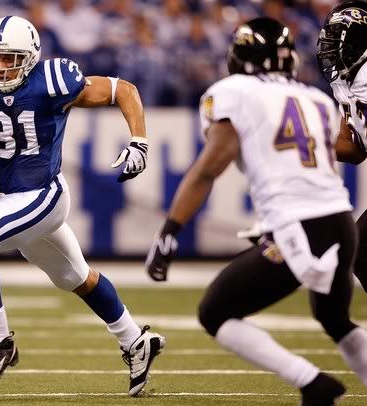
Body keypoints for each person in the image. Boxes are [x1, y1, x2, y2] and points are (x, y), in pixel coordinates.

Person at [0, 15, 164, 396]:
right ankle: (135, 340)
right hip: (13, 199)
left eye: (11, 58)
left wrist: (139, 141)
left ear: (31, 57)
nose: (1, 66)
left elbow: (124, 89)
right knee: (75, 278)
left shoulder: (53, 82)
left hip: (45, 193)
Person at [145, 17, 367, 406]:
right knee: (335, 319)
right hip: (340, 222)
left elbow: (209, 168)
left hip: (301, 227)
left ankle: (312, 382)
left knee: (215, 312)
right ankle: (316, 385)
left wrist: (170, 230)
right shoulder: (314, 98)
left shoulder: (234, 92)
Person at [317, 0, 367, 293]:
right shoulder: (346, 81)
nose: (329, 45)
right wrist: (312, 144)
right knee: (361, 251)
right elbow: (354, 150)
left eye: (338, 36)